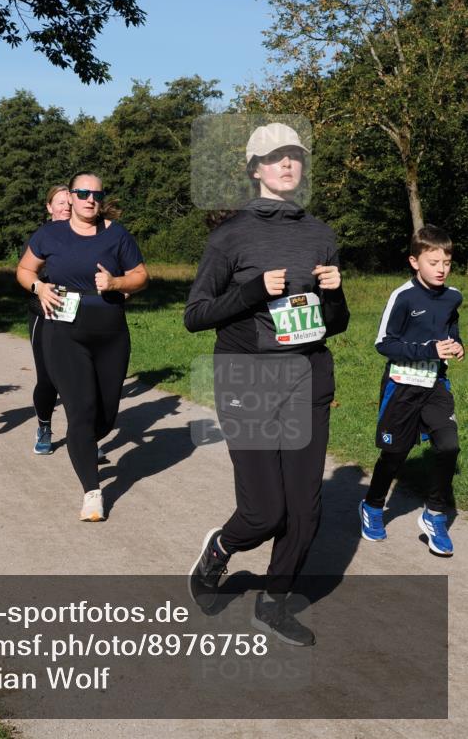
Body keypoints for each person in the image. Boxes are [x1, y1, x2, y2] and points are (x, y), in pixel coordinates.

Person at [185, 123, 350, 646]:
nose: (287, 163)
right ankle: (220, 550)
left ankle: (273, 605)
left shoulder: (320, 235)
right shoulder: (230, 236)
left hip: (307, 375)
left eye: (295, 155)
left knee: (305, 509)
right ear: (255, 168)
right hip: (247, 376)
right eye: (275, 156)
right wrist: (252, 291)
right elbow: (196, 315)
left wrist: (336, 295)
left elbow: (335, 323)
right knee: (264, 511)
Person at [16, 174, 149, 521]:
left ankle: (86, 443)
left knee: (105, 418)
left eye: (96, 194)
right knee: (81, 410)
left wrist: (117, 282)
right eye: (83, 193)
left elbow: (141, 275)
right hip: (63, 332)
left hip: (110, 335)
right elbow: (25, 268)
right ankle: (93, 492)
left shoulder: (116, 233)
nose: (90, 199)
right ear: (71, 197)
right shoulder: (50, 234)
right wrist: (38, 288)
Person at [359, 225, 463, 555]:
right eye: (433, 262)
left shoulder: (453, 296)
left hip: (435, 385)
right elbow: (383, 343)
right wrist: (429, 350)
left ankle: (434, 515)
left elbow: (451, 331)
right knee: (394, 455)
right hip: (402, 386)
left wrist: (457, 345)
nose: (441, 269)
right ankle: (373, 506)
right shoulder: (402, 297)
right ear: (414, 261)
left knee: (448, 447)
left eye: (446, 262)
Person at [27, 185, 71, 455]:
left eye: (69, 203)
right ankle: (44, 426)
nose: (65, 207)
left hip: (77, 314)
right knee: (48, 379)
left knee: (80, 379)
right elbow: (25, 274)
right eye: (60, 203)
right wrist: (41, 288)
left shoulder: (87, 235)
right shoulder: (42, 237)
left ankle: (85, 437)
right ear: (49, 207)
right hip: (43, 313)